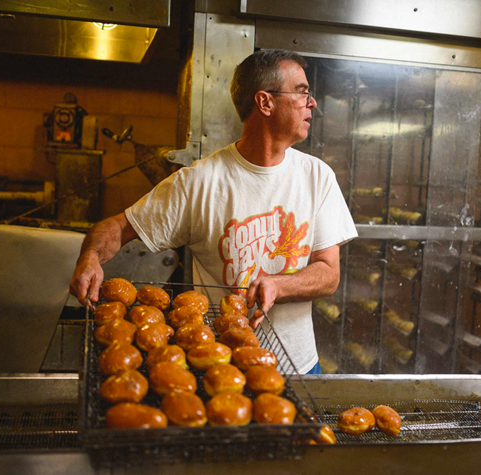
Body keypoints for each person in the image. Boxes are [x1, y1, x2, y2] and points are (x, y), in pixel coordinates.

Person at [69, 49, 357, 374]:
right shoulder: (200, 183)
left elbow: (328, 274)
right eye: (302, 92)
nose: (312, 102)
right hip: (219, 364)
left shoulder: (317, 177)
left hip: (299, 366)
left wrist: (279, 285)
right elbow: (118, 227)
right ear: (265, 102)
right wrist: (90, 257)